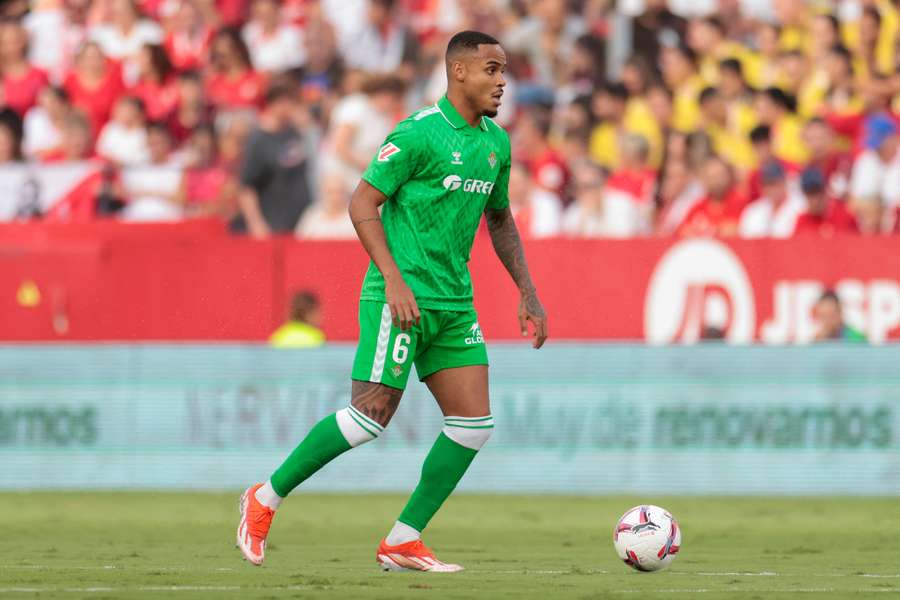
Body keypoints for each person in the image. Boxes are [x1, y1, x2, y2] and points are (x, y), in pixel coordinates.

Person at [236, 30, 547, 572]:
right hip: (397, 298)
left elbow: (499, 217)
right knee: (368, 418)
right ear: (459, 72)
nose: (502, 82)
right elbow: (363, 202)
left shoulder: (496, 143)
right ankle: (264, 498)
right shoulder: (419, 133)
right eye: (492, 70)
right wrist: (394, 278)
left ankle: (403, 538)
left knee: (474, 425)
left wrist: (528, 290)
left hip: (453, 304)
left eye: (504, 71)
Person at [233, 81, 313, 237]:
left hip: (301, 224)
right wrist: (256, 224)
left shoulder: (296, 133)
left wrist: (307, 128)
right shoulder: (259, 140)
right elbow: (247, 187)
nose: (291, 108)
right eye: (287, 102)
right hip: (273, 224)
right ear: (275, 104)